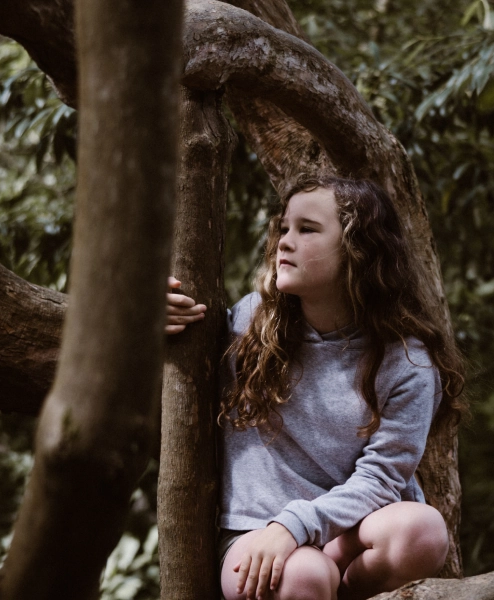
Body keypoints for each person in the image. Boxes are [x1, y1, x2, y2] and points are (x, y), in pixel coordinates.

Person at [166, 177, 466, 600]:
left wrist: (298, 525)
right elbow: (169, 383)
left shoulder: (406, 360)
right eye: (284, 228)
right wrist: (155, 316)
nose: (284, 242)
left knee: (423, 531)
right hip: (257, 534)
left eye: (306, 229)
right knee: (305, 575)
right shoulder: (249, 324)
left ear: (358, 251)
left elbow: (382, 478)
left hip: (349, 534)